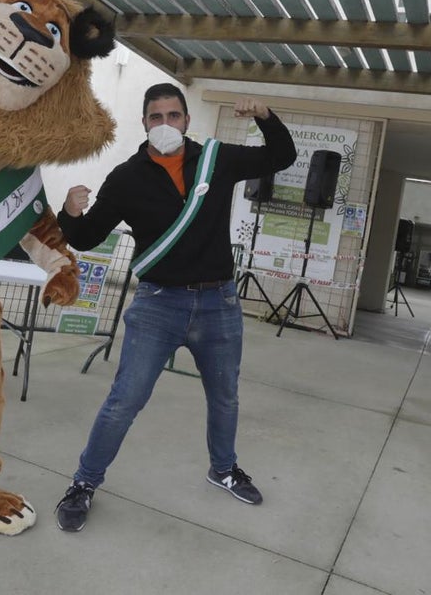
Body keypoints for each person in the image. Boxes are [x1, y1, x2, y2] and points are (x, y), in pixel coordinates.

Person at [53, 84, 296, 533]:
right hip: (157, 306)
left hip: (218, 303)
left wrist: (265, 113)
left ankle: (223, 469)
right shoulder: (127, 177)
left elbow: (281, 156)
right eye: (155, 117)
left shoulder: (216, 160)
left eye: (173, 115)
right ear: (144, 123)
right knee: (123, 401)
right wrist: (68, 212)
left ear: (187, 120)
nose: (165, 124)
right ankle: (84, 482)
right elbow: (86, 237)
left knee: (225, 397)